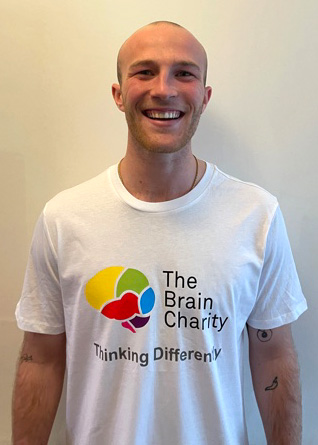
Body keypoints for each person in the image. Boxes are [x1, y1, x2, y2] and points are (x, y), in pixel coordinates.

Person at [12, 21, 307, 445]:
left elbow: (274, 355)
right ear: (118, 95)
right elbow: (39, 359)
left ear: (204, 96)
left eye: (184, 73)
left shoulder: (256, 215)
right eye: (144, 71)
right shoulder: (65, 218)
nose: (164, 89)